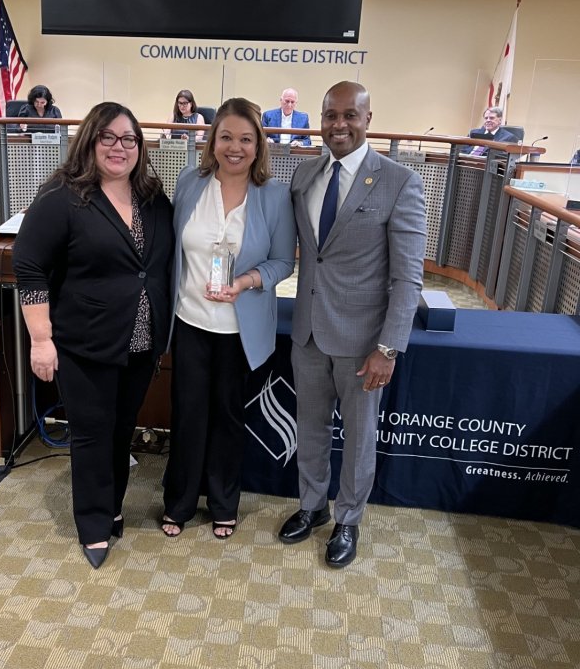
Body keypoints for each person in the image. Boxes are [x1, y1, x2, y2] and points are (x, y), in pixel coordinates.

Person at [12, 102, 175, 569]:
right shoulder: (64, 197)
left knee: (122, 432)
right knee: (91, 435)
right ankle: (92, 524)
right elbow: (29, 267)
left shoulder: (151, 197)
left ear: (140, 148)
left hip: (141, 345)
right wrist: (41, 340)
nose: (119, 147)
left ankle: (113, 506)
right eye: (108, 137)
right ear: (89, 140)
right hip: (84, 344)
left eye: (129, 139)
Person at [278, 81, 426, 567]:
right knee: (311, 428)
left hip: (364, 342)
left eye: (350, 115)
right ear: (318, 119)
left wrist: (388, 348)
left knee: (360, 438)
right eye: (330, 115)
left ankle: (348, 520)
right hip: (308, 333)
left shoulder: (398, 181)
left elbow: (408, 276)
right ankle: (312, 506)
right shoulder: (303, 175)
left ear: (367, 118)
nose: (339, 125)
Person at [162, 97, 296, 539]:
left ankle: (223, 503)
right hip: (189, 321)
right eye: (226, 137)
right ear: (211, 140)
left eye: (245, 139)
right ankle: (178, 503)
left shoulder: (274, 196)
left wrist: (247, 281)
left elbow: (283, 262)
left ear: (258, 145)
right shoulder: (189, 182)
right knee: (186, 415)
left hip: (240, 330)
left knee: (227, 417)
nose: (234, 148)